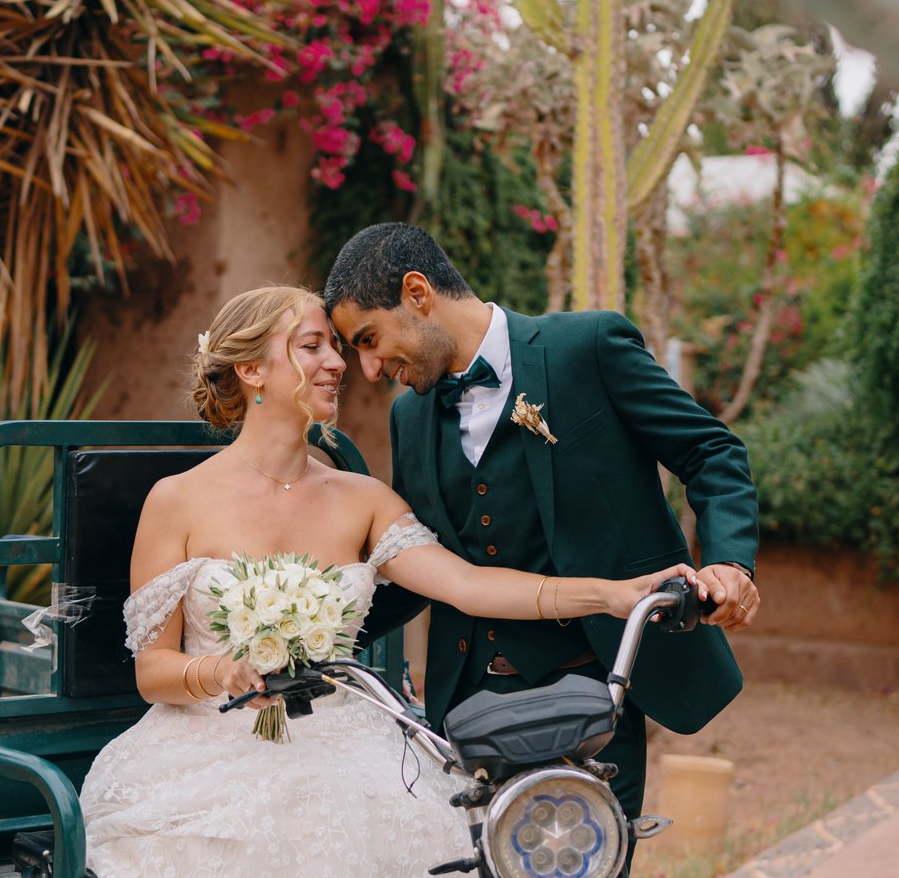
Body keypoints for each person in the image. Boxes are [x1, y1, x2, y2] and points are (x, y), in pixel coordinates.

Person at [78, 282, 705, 878]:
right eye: (313, 347)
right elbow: (154, 669)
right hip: (209, 745)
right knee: (278, 854)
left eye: (339, 345)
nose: (338, 364)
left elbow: (475, 585)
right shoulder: (178, 501)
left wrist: (612, 595)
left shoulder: (363, 497)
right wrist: (226, 674)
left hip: (350, 731)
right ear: (253, 370)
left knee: (447, 848)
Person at [324, 224, 759, 827]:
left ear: (418, 293)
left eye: (369, 339)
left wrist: (729, 562)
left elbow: (711, 453)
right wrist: (310, 634)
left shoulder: (589, 347)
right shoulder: (410, 416)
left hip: (597, 693)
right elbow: (422, 561)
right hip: (466, 707)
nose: (369, 368)